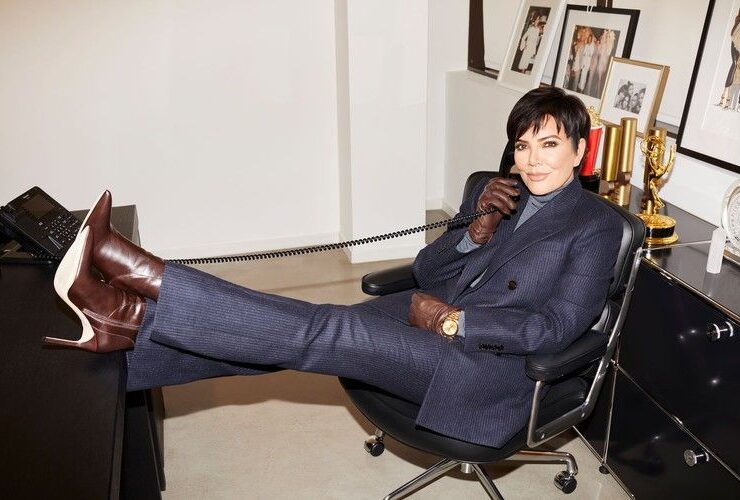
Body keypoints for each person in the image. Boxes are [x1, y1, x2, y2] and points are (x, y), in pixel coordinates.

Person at [44, 87, 622, 449]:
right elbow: (427, 269)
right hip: (426, 314)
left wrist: (454, 322)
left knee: (327, 331)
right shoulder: (495, 194)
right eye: (522, 146)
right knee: (289, 339)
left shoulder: (593, 226)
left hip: (486, 367)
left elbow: (554, 329)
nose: (532, 161)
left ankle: (142, 281)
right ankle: (129, 334)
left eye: (548, 145)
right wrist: (474, 233)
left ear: (579, 151)